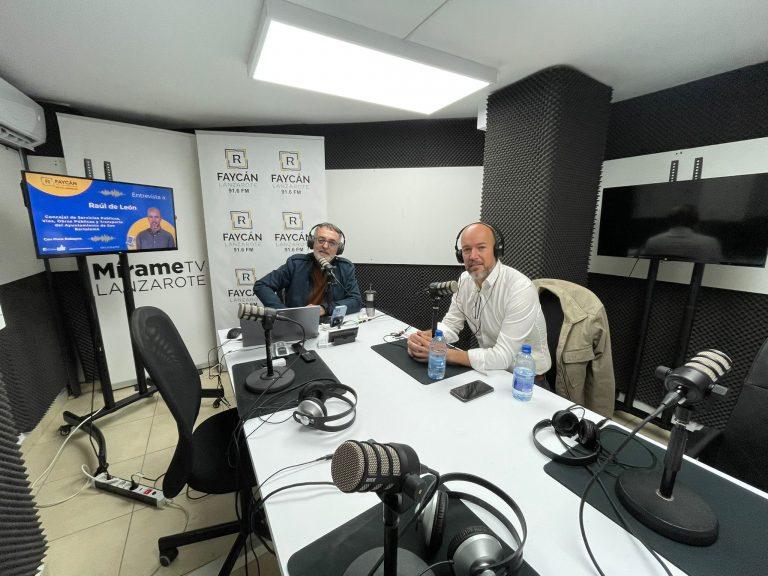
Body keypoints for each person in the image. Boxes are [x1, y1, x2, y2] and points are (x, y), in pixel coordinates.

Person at [407, 222, 551, 380]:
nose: (473, 256)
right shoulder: (464, 281)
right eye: (467, 249)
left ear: (497, 251)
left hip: (525, 380)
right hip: (489, 371)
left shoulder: (520, 288)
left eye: (481, 247)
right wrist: (425, 338)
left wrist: (444, 353)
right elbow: (451, 325)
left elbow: (503, 357)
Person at [253, 222, 363, 316]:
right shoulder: (295, 264)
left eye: (332, 243)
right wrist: (283, 313)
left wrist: (324, 308)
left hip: (330, 323)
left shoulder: (345, 267)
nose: (325, 246)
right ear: (312, 242)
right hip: (298, 325)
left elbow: (356, 301)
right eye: (321, 240)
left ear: (339, 249)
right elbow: (261, 285)